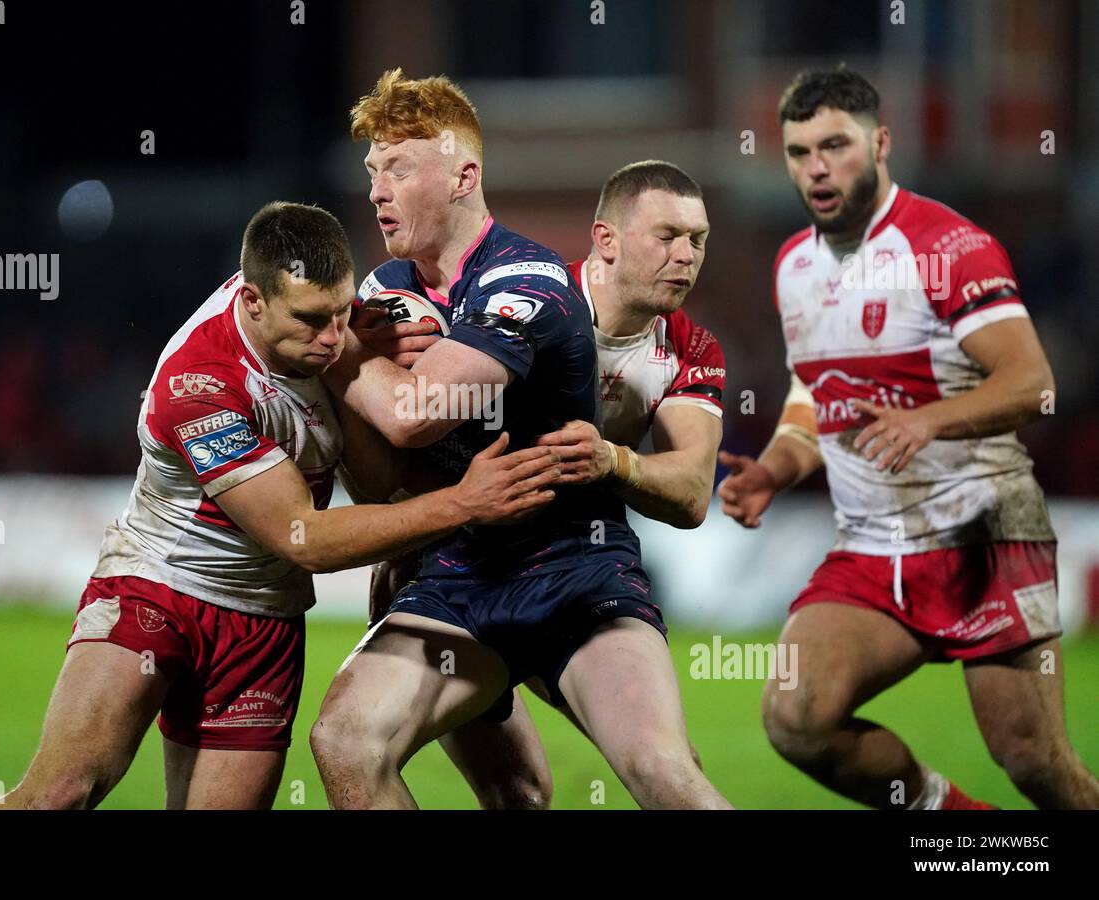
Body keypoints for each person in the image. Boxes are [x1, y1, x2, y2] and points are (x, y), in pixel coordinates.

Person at [0, 201, 560, 810]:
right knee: (59, 795)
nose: (332, 338)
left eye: (342, 313)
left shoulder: (337, 334)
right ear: (252, 301)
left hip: (264, 618)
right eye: (312, 320)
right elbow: (302, 538)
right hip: (158, 586)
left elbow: (375, 483)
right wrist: (464, 503)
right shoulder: (200, 384)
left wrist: (370, 367)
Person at [309, 69, 731, 810]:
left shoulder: (529, 281)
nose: (377, 190)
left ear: (464, 175)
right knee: (350, 742)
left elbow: (416, 415)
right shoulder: (382, 294)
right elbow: (378, 482)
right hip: (457, 578)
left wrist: (339, 350)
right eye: (372, 172)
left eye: (399, 169)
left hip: (573, 572)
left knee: (665, 775)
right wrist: (405, 535)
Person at [718, 66, 1099, 809]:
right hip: (872, 546)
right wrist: (776, 468)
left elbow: (1031, 381)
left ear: (881, 141)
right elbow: (811, 396)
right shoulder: (794, 266)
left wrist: (924, 419)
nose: (816, 168)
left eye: (835, 145)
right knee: (797, 717)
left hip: (982, 534)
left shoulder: (949, 248)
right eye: (799, 153)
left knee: (1034, 763)